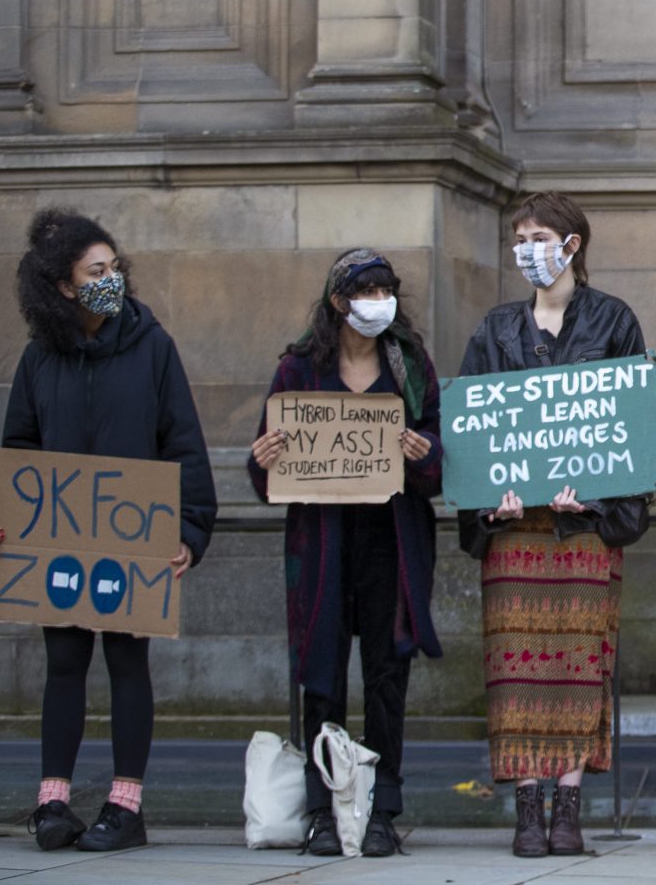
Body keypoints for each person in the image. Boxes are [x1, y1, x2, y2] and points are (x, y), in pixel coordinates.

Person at [0, 209, 216, 852]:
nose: (112, 278)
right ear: (63, 286)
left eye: (114, 267)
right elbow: (20, 451)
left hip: (133, 539)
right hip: (58, 541)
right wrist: (7, 521)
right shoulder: (39, 359)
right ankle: (52, 802)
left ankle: (126, 805)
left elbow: (184, 445)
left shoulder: (153, 347)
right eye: (97, 270)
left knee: (125, 660)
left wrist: (190, 532)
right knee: (63, 661)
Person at [458, 192, 647, 858]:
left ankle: (568, 809)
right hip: (516, 534)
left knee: (578, 666)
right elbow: (474, 431)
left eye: (540, 235)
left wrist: (594, 496)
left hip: (583, 534)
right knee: (515, 673)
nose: (528, 249)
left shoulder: (614, 321)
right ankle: (527, 809)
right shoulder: (495, 329)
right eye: (520, 237)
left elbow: (629, 426)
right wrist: (489, 499)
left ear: (572, 244)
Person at [248, 248, 444, 858]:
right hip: (324, 544)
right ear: (338, 302)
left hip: (391, 542)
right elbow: (269, 473)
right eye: (365, 291)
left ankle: (382, 808)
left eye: (386, 289)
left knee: (388, 678)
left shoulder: (409, 364)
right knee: (323, 679)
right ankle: (323, 810)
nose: (377, 301)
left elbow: (443, 457)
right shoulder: (298, 369)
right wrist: (263, 460)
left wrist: (423, 452)